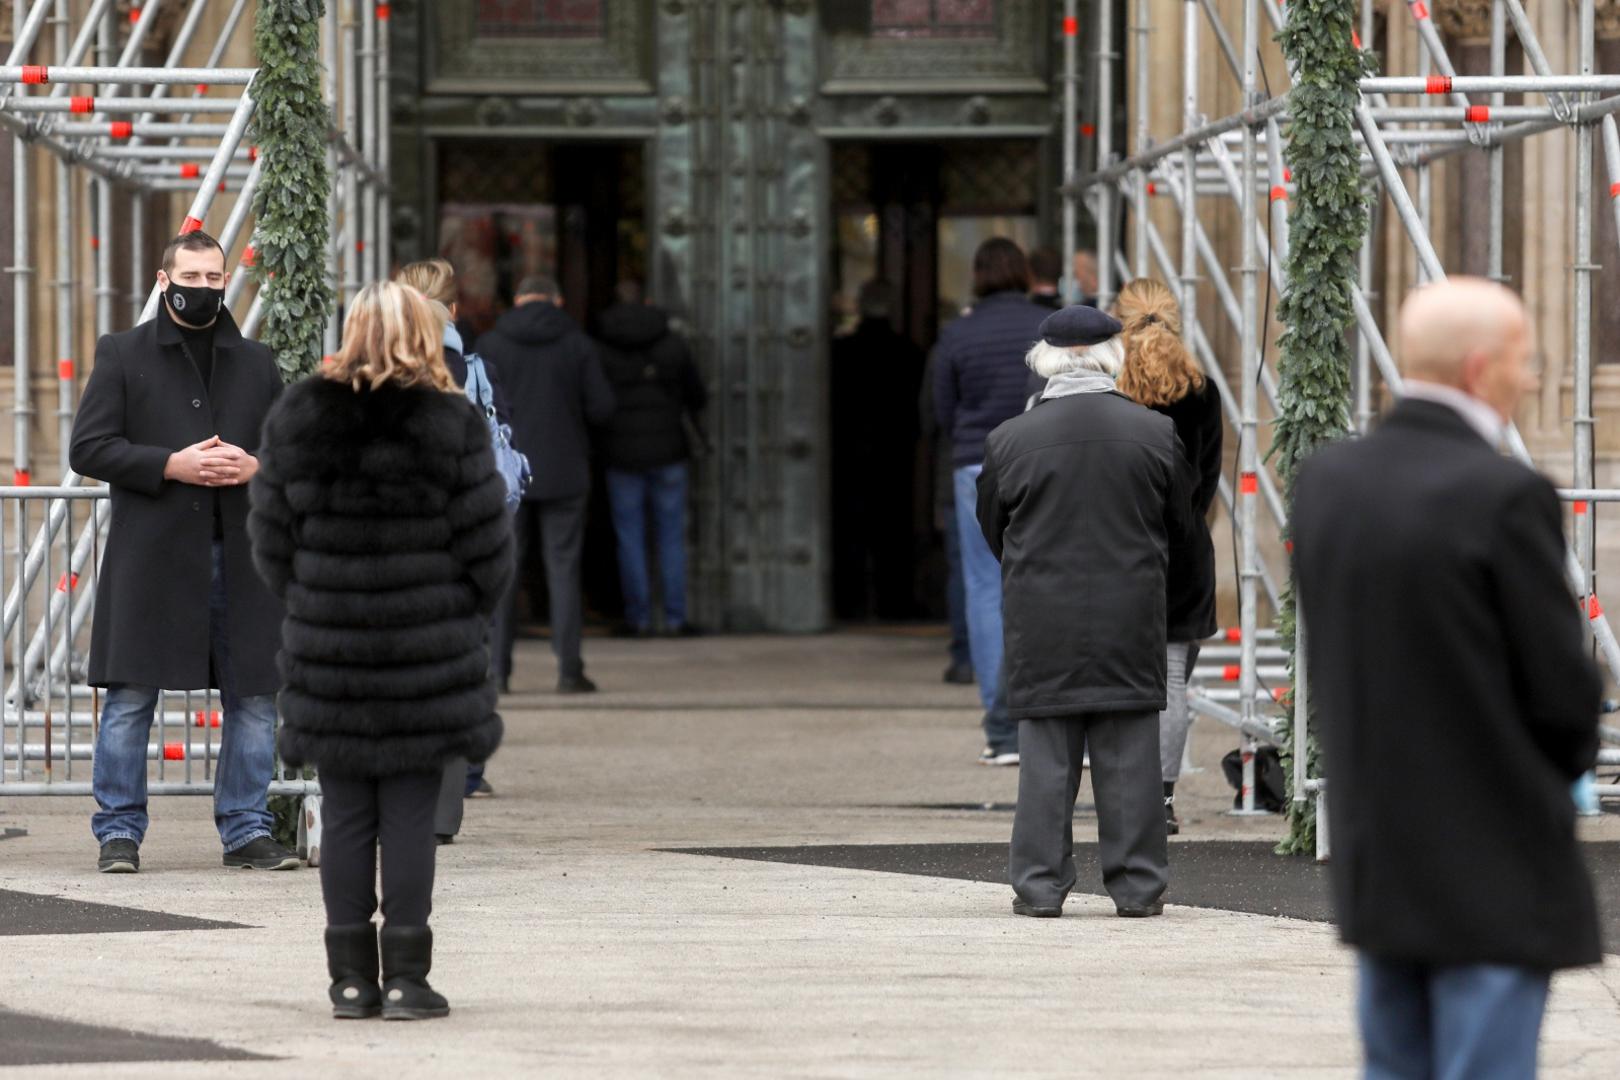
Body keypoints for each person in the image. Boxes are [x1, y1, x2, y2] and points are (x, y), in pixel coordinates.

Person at [1293, 278, 1602, 1078]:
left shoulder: (1328, 482)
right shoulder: (1504, 496)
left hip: (1378, 846)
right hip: (1492, 851)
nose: (1530, 378)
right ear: (1479, 368)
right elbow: (1562, 692)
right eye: (1524, 360)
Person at [249, 281, 513, 1021]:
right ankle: (405, 979)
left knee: (345, 814)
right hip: (424, 656)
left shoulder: (299, 417)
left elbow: (270, 539)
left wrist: (315, 596)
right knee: (408, 817)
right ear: (424, 335)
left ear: (353, 330)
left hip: (331, 650)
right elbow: (488, 547)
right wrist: (460, 609)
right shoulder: (451, 422)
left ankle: (348, 982)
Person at [69, 230, 297, 875]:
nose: (202, 289)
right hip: (153, 556)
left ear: (225, 281)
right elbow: (88, 447)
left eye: (213, 278)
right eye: (190, 278)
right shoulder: (122, 352)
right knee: (130, 696)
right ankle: (119, 831)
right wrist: (171, 464)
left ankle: (247, 829)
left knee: (255, 697)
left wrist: (257, 466)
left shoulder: (257, 361)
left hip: (243, 557)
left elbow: (295, 448)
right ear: (164, 280)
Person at [978, 304, 1192, 920]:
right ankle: (1138, 886)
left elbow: (993, 528)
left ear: (1044, 361)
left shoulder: (1009, 439)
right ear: (1111, 357)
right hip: (1129, 612)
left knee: (1046, 760)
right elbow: (1182, 527)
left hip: (1043, 615)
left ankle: (1040, 885)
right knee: (1130, 759)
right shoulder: (1155, 433)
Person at [394, 259, 506, 834]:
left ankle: (400, 796)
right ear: (454, 309)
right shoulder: (472, 368)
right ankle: (446, 802)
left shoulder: (379, 368)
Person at [932, 238, 1048, 765]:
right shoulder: (1044, 325)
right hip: (1037, 457)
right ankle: (1037, 707)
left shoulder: (958, 333)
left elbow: (942, 406)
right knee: (1041, 580)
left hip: (974, 462)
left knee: (983, 587)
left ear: (977, 275)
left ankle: (997, 716)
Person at [1114, 279, 1223, 835]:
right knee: (1173, 677)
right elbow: (1208, 482)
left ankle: (1123, 790)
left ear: (1119, 320)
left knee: (1117, 680)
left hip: (1121, 547)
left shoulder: (1111, 390)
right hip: (1184, 549)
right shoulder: (1203, 390)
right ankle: (1160, 799)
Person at [475, 276, 616, 694]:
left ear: (517, 300)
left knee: (506, 569)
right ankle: (569, 671)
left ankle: (498, 671)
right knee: (564, 568)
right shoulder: (578, 344)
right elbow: (602, 407)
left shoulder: (491, 344)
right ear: (558, 301)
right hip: (565, 470)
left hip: (507, 472)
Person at [594, 280, 707, 637]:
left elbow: (596, 402)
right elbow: (697, 396)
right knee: (671, 536)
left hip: (621, 453)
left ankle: (638, 618)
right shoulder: (673, 344)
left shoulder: (601, 347)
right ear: (647, 301)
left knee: (630, 537)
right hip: (669, 451)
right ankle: (675, 618)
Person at [829, 280, 925, 621]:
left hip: (848, 454)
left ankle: (847, 602)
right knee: (893, 531)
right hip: (894, 455)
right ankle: (894, 602)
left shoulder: (840, 352)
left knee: (849, 529)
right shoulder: (909, 353)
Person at [920, 347, 973, 686]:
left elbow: (934, 416)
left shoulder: (953, 341)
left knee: (966, 570)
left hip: (963, 463)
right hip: (1023, 464)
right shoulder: (1034, 333)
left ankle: (965, 658)